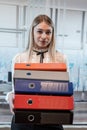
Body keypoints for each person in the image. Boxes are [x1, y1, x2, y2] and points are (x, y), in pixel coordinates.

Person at [6, 14, 68, 130]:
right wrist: (10, 97)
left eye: (48, 32)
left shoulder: (61, 58)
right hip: (23, 119)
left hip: (52, 118)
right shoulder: (19, 58)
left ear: (52, 34)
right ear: (32, 33)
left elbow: (64, 89)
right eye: (39, 31)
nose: (44, 36)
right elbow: (15, 90)